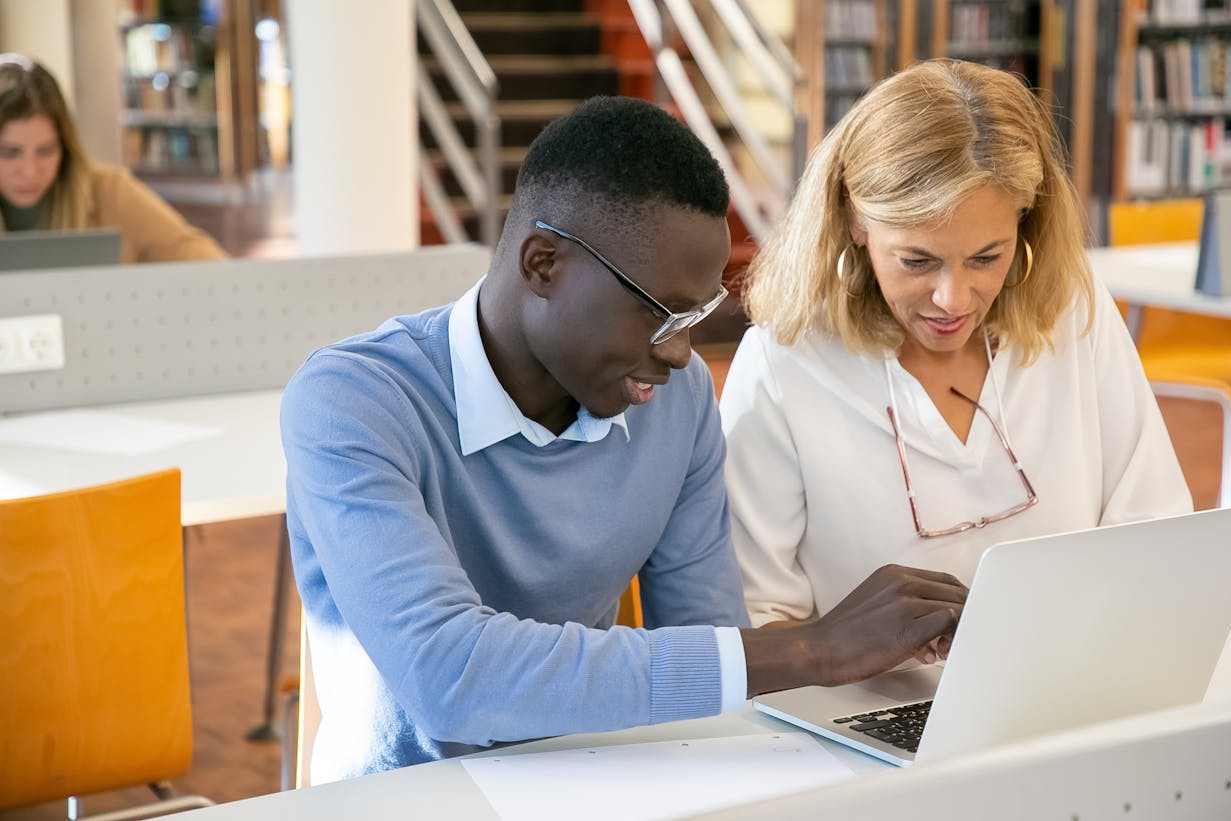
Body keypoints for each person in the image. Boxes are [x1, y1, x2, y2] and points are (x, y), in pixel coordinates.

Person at [281, 95, 967, 783]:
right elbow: (451, 677)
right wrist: (812, 648)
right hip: (400, 800)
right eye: (658, 312)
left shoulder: (679, 398)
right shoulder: (351, 403)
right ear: (542, 264)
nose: (680, 353)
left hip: (594, 784)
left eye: (695, 315)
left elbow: (708, 659)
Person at [719, 59, 1192, 629]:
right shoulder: (782, 364)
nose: (954, 299)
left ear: (1026, 219)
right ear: (855, 221)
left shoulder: (1073, 305)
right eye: (917, 261)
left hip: (1075, 688)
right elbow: (757, 622)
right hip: (868, 706)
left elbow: (1157, 530)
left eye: (987, 258)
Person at [0, 53, 226, 262]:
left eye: (46, 150)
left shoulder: (108, 190)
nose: (30, 171)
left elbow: (201, 256)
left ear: (65, 147)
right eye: (9, 152)